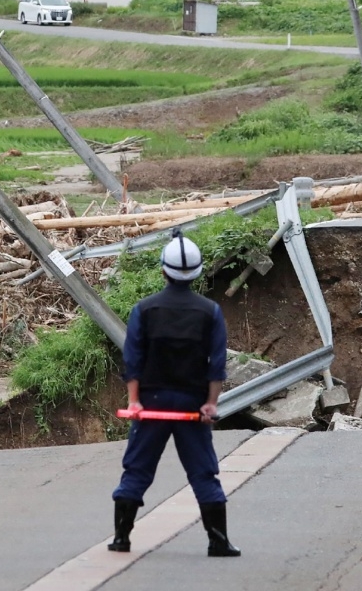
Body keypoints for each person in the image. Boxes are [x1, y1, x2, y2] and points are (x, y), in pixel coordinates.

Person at [108, 230, 240, 558]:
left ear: (163, 270)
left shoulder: (144, 309)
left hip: (151, 403)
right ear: (197, 272)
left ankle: (121, 538)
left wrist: (134, 400)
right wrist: (210, 403)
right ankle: (218, 541)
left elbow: (133, 358)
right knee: (202, 470)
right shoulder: (210, 312)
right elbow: (217, 363)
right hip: (193, 404)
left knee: (137, 469)